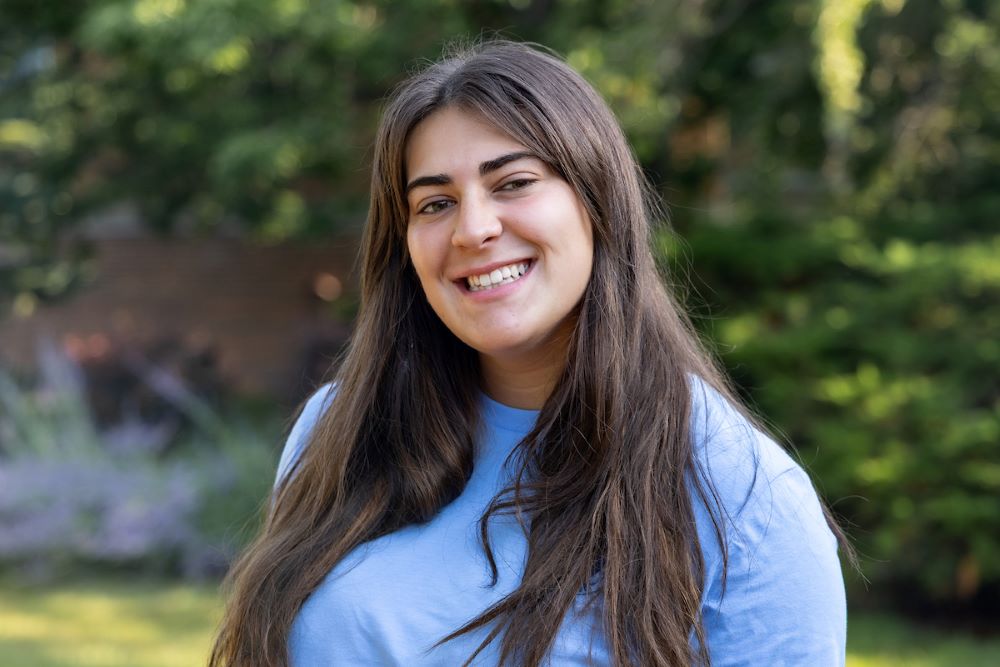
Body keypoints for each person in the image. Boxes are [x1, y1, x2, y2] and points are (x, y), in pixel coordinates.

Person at [210, 40, 848, 667]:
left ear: (597, 203)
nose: (473, 228)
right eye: (435, 203)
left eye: (514, 183)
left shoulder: (744, 501)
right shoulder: (337, 431)